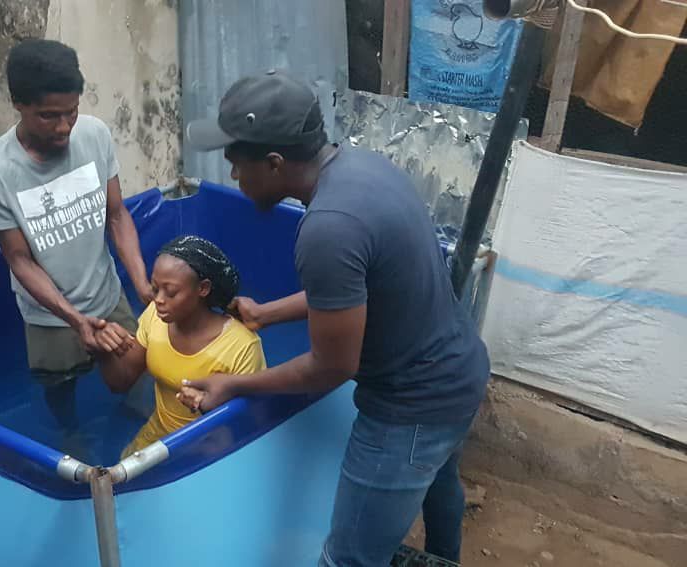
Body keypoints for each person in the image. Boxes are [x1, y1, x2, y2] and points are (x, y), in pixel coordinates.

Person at [179, 71, 491, 567]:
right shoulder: (361, 167)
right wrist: (268, 312)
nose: (234, 179)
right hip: (460, 369)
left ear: (275, 163)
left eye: (237, 166)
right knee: (440, 486)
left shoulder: (326, 228)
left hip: (410, 409)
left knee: (348, 557)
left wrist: (233, 386)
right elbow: (359, 289)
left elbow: (332, 366)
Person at [0, 39, 154, 450]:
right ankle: (70, 434)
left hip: (107, 294)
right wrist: (75, 320)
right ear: (18, 104)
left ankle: (137, 416)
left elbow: (118, 216)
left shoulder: (94, 135)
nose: (63, 127)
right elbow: (19, 260)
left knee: (137, 369)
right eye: (48, 116)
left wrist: (141, 283)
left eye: (70, 112)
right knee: (59, 384)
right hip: (49, 313)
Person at [93, 236, 266, 459]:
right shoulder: (155, 317)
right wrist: (101, 351)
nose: (159, 300)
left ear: (203, 289)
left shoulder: (241, 346)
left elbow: (256, 420)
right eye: (155, 289)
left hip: (211, 448)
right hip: (158, 438)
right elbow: (121, 383)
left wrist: (208, 407)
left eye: (171, 292)